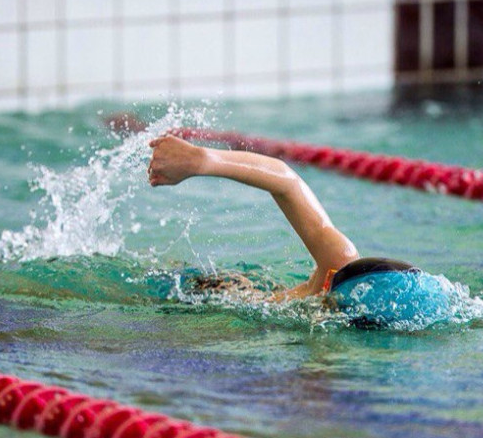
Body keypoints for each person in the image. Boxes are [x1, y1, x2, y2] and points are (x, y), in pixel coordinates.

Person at [147, 135, 451, 327]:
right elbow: (286, 181)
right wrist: (203, 160)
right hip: (207, 295)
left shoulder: (335, 277)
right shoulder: (338, 261)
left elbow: (288, 181)